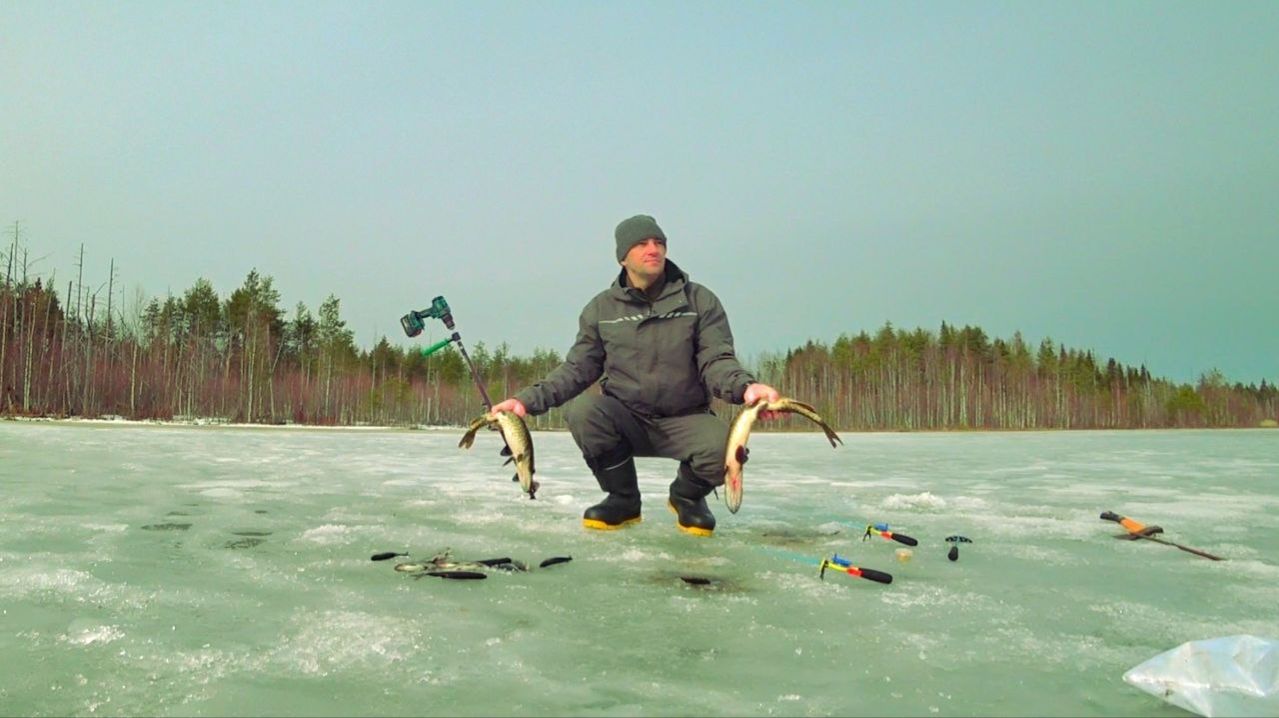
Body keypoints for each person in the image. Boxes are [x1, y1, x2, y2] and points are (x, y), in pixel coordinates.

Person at [489, 214, 779, 537]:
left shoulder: (699, 301)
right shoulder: (601, 310)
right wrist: (524, 401)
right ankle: (623, 498)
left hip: (685, 419)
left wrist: (747, 388)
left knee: (723, 447)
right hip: (626, 418)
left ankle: (687, 496)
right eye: (642, 244)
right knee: (585, 412)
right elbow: (577, 369)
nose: (653, 249)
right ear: (623, 257)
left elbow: (716, 360)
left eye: (659, 243)